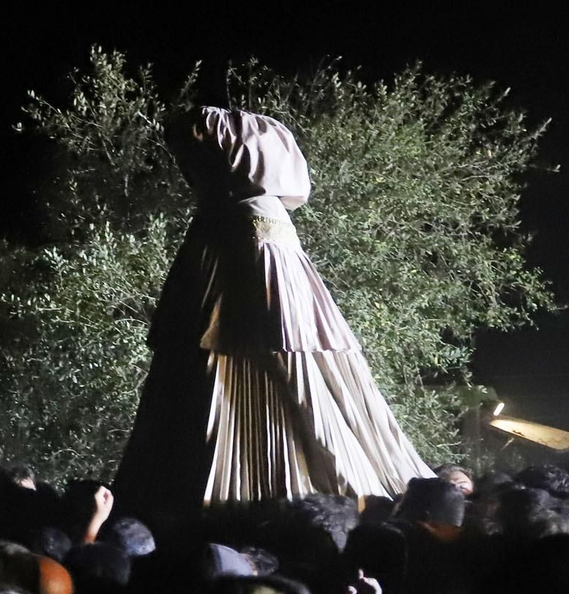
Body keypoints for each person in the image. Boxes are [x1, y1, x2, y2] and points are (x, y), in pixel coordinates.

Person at [114, 106, 431, 517]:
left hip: (239, 255)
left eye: (194, 159)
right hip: (226, 251)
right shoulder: (238, 217)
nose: (188, 171)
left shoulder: (248, 222)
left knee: (275, 356)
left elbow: (283, 328)